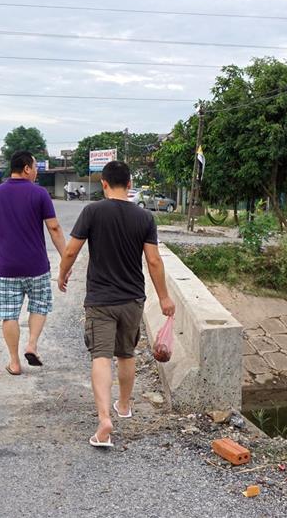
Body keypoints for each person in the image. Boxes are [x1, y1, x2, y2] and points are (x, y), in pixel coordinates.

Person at [57, 161, 175, 448]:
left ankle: (104, 419)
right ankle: (123, 406)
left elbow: (72, 250)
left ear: (105, 184)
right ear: (130, 184)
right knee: (126, 353)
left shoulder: (92, 211)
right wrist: (164, 298)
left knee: (100, 356)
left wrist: (62, 273)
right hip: (133, 299)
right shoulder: (145, 217)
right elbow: (154, 260)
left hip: (100, 300)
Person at [0, 151, 66, 375]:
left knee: (9, 314)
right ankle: (32, 345)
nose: (37, 171)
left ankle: (14, 362)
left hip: (6, 268)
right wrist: (66, 259)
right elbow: (54, 228)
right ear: (27, 168)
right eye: (35, 167)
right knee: (39, 305)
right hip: (36, 266)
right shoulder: (40, 194)